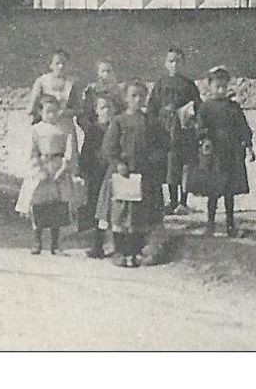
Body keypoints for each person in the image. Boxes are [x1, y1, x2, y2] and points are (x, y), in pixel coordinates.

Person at [99, 81, 165, 267]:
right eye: (133, 96)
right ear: (126, 98)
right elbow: (108, 148)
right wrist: (118, 162)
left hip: (143, 176)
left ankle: (136, 252)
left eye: (141, 96)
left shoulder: (151, 122)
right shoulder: (118, 121)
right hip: (122, 176)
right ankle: (120, 252)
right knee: (120, 214)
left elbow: (163, 144)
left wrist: (152, 159)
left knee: (139, 216)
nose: (138, 100)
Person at [193, 66, 256, 237]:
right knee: (213, 191)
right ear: (209, 86)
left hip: (232, 152)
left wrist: (249, 146)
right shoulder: (206, 108)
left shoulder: (233, 107)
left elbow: (243, 128)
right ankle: (210, 224)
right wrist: (205, 140)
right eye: (217, 86)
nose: (221, 90)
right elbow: (201, 127)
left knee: (230, 192)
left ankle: (230, 225)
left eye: (224, 86)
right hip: (215, 155)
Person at [14, 92, 80, 255]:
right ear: (40, 112)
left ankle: (55, 244)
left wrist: (64, 168)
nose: (51, 115)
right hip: (42, 168)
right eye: (47, 111)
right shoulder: (36, 130)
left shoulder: (64, 129)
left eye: (54, 111)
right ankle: (37, 241)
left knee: (57, 206)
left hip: (58, 168)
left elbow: (70, 150)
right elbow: (32, 152)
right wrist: (39, 171)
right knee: (39, 205)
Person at [145, 48, 201, 214]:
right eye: (171, 61)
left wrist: (191, 116)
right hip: (166, 131)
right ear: (165, 64)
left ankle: (183, 202)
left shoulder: (189, 85)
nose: (174, 64)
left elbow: (198, 106)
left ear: (183, 63)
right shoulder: (160, 84)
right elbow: (151, 108)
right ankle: (172, 201)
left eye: (177, 61)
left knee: (185, 166)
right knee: (170, 166)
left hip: (184, 131)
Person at [78, 94, 115, 257]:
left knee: (113, 208)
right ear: (96, 111)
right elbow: (86, 152)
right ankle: (98, 244)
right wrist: (84, 170)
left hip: (111, 172)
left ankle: (116, 244)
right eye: (102, 108)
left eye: (109, 107)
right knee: (95, 208)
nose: (106, 111)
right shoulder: (93, 129)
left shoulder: (116, 127)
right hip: (96, 173)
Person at [27, 49, 80, 123]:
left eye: (64, 63)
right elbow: (31, 108)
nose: (61, 66)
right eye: (57, 63)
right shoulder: (41, 82)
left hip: (65, 125)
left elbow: (78, 109)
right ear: (50, 65)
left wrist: (63, 113)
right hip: (44, 124)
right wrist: (45, 114)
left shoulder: (71, 83)